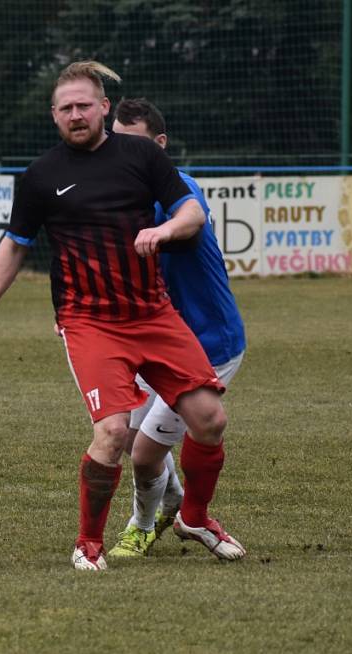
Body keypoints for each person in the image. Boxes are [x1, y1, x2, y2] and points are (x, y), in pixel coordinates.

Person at [0, 61, 245, 571]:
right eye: (65, 108)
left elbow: (192, 211)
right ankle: (88, 542)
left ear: (103, 108)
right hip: (89, 322)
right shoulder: (41, 176)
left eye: (84, 105)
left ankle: (195, 517)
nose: (75, 114)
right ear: (53, 116)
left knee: (210, 420)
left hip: (153, 314)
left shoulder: (140, 155)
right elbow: (14, 245)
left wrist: (165, 230)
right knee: (112, 432)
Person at [105, 98, 246, 559]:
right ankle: (172, 501)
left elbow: (193, 218)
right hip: (152, 339)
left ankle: (148, 524)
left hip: (208, 344)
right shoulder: (118, 198)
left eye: (136, 145)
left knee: (145, 454)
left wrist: (162, 232)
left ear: (160, 145)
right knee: (127, 437)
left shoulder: (177, 187)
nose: (122, 155)